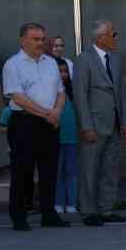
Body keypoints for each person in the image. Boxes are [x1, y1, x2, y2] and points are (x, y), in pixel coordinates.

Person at [1, 22, 69, 232]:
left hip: (50, 122)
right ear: (23, 40)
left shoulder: (51, 63)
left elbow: (60, 91)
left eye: (42, 39)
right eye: (35, 39)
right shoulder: (13, 64)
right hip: (24, 122)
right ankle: (19, 216)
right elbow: (17, 97)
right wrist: (46, 113)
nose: (40, 43)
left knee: (49, 170)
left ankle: (49, 214)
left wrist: (57, 112)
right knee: (23, 171)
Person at [72, 19, 126, 227]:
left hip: (114, 123)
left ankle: (106, 209)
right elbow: (80, 95)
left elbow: (121, 91)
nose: (116, 38)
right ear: (100, 37)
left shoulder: (115, 59)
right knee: (90, 168)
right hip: (94, 124)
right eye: (113, 34)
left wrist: (124, 121)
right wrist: (86, 126)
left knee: (110, 169)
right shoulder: (84, 59)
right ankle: (88, 211)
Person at [48, 37, 80, 215]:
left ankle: (72, 202)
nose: (62, 74)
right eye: (58, 71)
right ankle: (58, 202)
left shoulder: (73, 91)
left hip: (72, 137)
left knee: (71, 171)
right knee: (57, 172)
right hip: (54, 135)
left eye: (64, 71)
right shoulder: (50, 91)